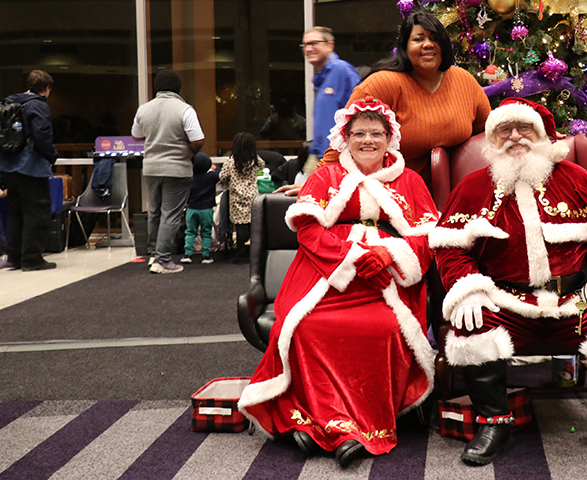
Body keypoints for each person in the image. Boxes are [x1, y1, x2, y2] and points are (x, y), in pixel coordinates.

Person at [430, 98, 587, 465]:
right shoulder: (472, 187)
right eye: (505, 130)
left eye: (524, 128)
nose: (515, 136)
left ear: (542, 134)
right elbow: (450, 248)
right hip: (506, 300)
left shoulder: (576, 179)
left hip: (576, 300)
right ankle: (494, 422)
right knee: (473, 323)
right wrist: (467, 288)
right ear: (493, 139)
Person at [238, 98, 437, 469]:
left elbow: (427, 238)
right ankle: (329, 425)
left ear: (389, 138)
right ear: (346, 137)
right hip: (324, 274)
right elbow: (309, 232)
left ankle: (342, 427)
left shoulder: (410, 180)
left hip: (387, 280)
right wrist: (352, 258)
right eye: (359, 133)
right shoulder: (324, 176)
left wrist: (390, 254)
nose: (367, 140)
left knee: (385, 328)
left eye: (376, 133)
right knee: (306, 326)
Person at [278, 10, 490, 194]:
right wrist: (317, 181)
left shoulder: (464, 81)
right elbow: (344, 136)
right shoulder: (383, 83)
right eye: (418, 39)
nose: (428, 44)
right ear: (405, 47)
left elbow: (488, 134)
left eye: (434, 38)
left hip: (455, 197)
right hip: (391, 196)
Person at [132, 69, 204, 274]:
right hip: (177, 168)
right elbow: (198, 139)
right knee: (170, 214)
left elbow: (136, 135)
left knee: (154, 212)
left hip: (151, 168)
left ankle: (154, 254)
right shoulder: (185, 109)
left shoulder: (143, 109)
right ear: (178, 88)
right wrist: (188, 152)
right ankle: (163, 260)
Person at [0, 70, 59, 271]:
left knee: (15, 211)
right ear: (47, 88)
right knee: (38, 211)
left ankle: (14, 257)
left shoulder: (10, 102)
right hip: (30, 166)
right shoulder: (38, 105)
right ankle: (32, 258)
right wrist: (51, 156)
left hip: (8, 165)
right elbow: (42, 134)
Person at [301, 26, 360, 176]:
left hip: (339, 160)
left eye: (314, 43)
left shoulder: (342, 71)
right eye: (305, 45)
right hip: (319, 156)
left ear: (330, 45)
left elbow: (360, 112)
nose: (309, 49)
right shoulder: (321, 78)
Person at [217, 132, 264, 264]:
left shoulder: (231, 162)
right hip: (252, 196)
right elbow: (263, 165)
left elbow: (222, 176)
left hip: (237, 198)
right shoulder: (255, 160)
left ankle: (240, 252)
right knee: (253, 224)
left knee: (240, 226)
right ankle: (254, 253)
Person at [180, 152, 219, 265]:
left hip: (191, 209)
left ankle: (187, 254)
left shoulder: (189, 178)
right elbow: (221, 173)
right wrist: (215, 168)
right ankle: (206, 255)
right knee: (206, 232)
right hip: (206, 209)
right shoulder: (211, 177)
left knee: (190, 232)